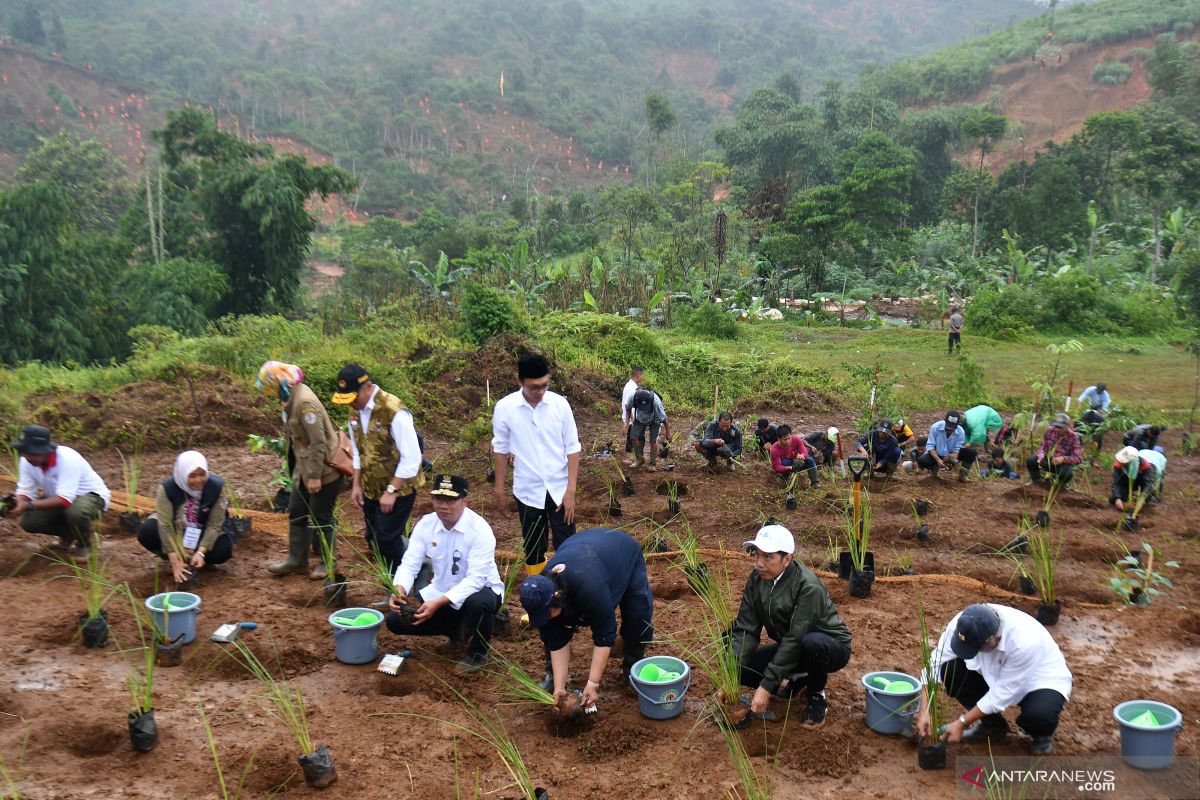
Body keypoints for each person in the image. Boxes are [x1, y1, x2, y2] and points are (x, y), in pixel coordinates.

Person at [731, 525, 852, 728]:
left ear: (787, 559)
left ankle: (816, 695)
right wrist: (729, 675)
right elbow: (746, 629)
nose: (760, 563)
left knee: (812, 643)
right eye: (757, 555)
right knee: (740, 667)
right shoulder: (756, 579)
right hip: (793, 647)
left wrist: (766, 687)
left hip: (829, 647)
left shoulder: (807, 586)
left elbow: (796, 637)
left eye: (768, 557)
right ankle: (799, 678)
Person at [519, 528, 654, 704]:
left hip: (620, 553)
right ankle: (554, 677)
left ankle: (631, 666)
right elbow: (556, 640)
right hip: (583, 550)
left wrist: (592, 684)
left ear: (558, 597)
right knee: (553, 626)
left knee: (638, 614)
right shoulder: (541, 595)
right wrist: (560, 688)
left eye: (549, 612)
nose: (547, 618)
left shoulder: (589, 588)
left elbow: (604, 634)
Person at [918, 603, 1071, 755]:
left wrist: (962, 722)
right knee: (949, 670)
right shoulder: (965, 624)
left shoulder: (1024, 641)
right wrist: (925, 710)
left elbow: (1003, 692)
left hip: (1038, 680)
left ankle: (1041, 736)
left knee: (1039, 715)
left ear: (996, 639)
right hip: (993, 671)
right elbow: (935, 663)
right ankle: (992, 726)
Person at [386, 475, 504, 671]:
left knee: (478, 604)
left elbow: (476, 580)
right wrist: (400, 588)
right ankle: (457, 631)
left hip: (481, 590)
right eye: (439, 499)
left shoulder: (480, 530)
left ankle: (478, 652)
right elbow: (409, 564)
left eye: (451, 500)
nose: (443, 505)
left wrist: (438, 603)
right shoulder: (425, 525)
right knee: (396, 621)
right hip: (441, 589)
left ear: (465, 501)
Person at [332, 363, 424, 579]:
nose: (352, 402)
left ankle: (417, 569)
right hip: (371, 488)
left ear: (369, 387)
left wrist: (391, 490)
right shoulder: (354, 411)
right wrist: (356, 484)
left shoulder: (394, 411)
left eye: (354, 396)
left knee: (386, 538)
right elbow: (357, 449)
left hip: (399, 488)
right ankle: (395, 582)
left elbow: (412, 457)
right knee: (373, 538)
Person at [492, 353, 581, 576]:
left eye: (544, 385)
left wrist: (571, 490)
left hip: (559, 488)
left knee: (567, 545)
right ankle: (539, 599)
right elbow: (501, 449)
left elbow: (572, 448)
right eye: (534, 387)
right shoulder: (505, 408)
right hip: (527, 489)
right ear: (519, 382)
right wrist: (499, 489)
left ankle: (567, 600)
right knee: (533, 546)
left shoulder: (560, 405)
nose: (540, 392)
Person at [257, 362, 345, 577]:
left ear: (281, 383)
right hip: (303, 470)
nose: (272, 395)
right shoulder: (289, 398)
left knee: (320, 515)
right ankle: (297, 560)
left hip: (324, 471)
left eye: (272, 389)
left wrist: (315, 476)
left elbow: (319, 442)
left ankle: (327, 562)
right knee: (296, 511)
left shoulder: (305, 403)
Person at [11, 425, 110, 560]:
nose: (27, 456)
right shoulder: (27, 461)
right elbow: (26, 490)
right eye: (25, 452)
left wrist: (28, 506)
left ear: (44, 451)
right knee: (28, 521)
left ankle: (84, 544)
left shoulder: (67, 459)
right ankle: (69, 535)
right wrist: (18, 502)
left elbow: (64, 499)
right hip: (59, 499)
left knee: (76, 512)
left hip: (91, 497)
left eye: (31, 453)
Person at [137, 451, 234, 584]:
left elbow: (214, 525)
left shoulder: (217, 487)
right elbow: (165, 525)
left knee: (222, 549)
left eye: (202, 474)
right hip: (176, 528)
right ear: (183, 474)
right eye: (192, 475)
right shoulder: (167, 488)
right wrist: (174, 560)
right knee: (148, 530)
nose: (198, 480)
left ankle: (201, 560)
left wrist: (201, 552)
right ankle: (174, 559)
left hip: (203, 529)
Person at [916, 411, 975, 481]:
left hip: (949, 455)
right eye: (948, 427)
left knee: (971, 452)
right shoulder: (935, 427)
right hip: (936, 454)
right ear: (945, 421)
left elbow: (957, 449)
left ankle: (963, 476)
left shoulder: (960, 431)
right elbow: (930, 446)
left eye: (952, 428)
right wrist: (938, 459)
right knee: (922, 460)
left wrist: (952, 456)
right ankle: (933, 471)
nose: (949, 430)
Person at [1026, 413, 1082, 486]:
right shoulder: (1050, 431)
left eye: (1060, 427)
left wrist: (1063, 459)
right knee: (1031, 460)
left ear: (1067, 426)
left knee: (1067, 473)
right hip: (1047, 461)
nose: (1057, 429)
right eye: (1056, 426)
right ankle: (1036, 481)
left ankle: (1058, 486)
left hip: (1061, 465)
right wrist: (1040, 457)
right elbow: (1044, 446)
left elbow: (1078, 458)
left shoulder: (1074, 438)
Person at [624, 385, 670, 471]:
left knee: (653, 441)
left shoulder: (656, 402)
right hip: (640, 418)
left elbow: (664, 419)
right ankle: (640, 459)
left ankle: (652, 464)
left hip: (654, 420)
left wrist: (668, 433)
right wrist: (627, 423)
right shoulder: (633, 397)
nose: (644, 409)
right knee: (633, 436)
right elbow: (628, 408)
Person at [1109, 446, 1158, 511]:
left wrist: (1141, 501)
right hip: (1126, 481)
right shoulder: (1119, 464)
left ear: (1133, 461)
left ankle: (1148, 498)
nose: (1123, 464)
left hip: (1141, 482)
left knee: (1147, 491)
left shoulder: (1146, 467)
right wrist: (1117, 498)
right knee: (1119, 498)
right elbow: (1115, 483)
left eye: (1126, 463)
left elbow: (1147, 485)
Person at [621, 366, 644, 462]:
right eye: (642, 375)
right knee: (636, 438)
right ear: (638, 376)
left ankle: (631, 457)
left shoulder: (630, 385)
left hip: (630, 418)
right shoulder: (632, 388)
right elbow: (628, 405)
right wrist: (632, 420)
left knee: (631, 438)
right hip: (632, 418)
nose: (643, 377)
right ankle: (634, 458)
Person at [1077, 382, 1110, 447]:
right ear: (1096, 388)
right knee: (1086, 419)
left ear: (1103, 391)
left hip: (1100, 407)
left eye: (1101, 391)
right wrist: (1078, 411)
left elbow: (1103, 411)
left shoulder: (1106, 397)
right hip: (1092, 405)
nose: (1099, 392)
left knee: (1097, 425)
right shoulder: (1091, 389)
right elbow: (1080, 400)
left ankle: (1096, 441)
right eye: (1098, 390)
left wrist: (1100, 421)